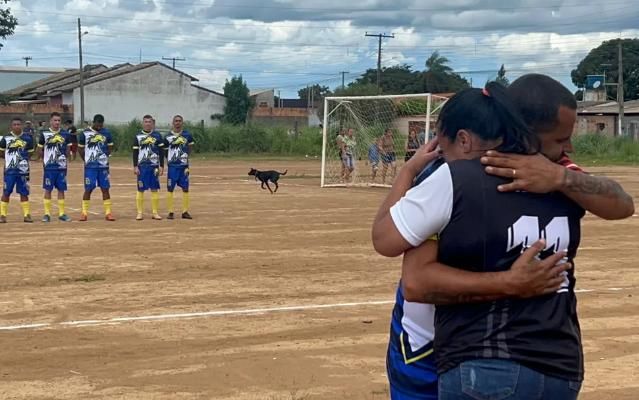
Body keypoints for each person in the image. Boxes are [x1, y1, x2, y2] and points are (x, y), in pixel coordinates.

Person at [378, 76, 635, 399]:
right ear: (527, 134)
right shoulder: (454, 176)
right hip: (484, 354)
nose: (568, 147)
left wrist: (560, 177)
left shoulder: (558, 175)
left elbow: (623, 205)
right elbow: (408, 271)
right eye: (560, 139)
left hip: (489, 360)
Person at [78, 114, 115, 221]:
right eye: (97, 125)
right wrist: (85, 159)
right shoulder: (85, 133)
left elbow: (111, 146)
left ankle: (108, 213)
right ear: (93, 122)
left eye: (101, 125)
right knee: (88, 189)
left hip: (103, 167)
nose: (99, 127)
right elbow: (80, 149)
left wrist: (105, 155)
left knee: (105, 189)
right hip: (90, 167)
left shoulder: (106, 133)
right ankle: (84, 213)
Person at [38, 112, 72, 222]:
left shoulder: (65, 134)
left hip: (61, 167)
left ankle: (62, 213)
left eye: (58, 120)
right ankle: (47, 214)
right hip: (49, 168)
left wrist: (66, 159)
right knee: (48, 189)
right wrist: (45, 160)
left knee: (61, 189)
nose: (57, 122)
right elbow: (40, 149)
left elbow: (67, 148)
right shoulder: (44, 134)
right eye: (55, 120)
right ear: (50, 121)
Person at [0, 117, 35, 223]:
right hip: (9, 171)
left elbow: (30, 152)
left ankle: (26, 215)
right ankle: (2, 215)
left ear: (22, 125)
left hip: (23, 171)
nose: (16, 126)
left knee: (24, 192)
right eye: (14, 124)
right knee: (6, 192)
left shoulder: (28, 138)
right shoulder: (6, 138)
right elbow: (1, 152)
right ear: (11, 126)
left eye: (18, 124)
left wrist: (23, 160)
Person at [134, 115, 165, 221]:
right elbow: (135, 152)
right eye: (146, 122)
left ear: (152, 123)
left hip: (154, 167)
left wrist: (161, 165)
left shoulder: (157, 136)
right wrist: (135, 166)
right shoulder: (138, 136)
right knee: (140, 189)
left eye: (149, 122)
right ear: (143, 123)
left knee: (154, 188)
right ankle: (139, 213)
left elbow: (161, 151)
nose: (147, 124)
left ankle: (155, 213)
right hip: (142, 167)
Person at [164, 115, 194, 219]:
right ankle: (170, 212)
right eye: (176, 121)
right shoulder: (167, 136)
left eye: (179, 121)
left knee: (185, 188)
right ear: (173, 123)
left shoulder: (187, 135)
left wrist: (185, 157)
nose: (177, 123)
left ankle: (185, 211)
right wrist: (170, 159)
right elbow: (165, 151)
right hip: (172, 167)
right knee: (170, 188)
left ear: (182, 123)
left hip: (184, 166)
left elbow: (190, 147)